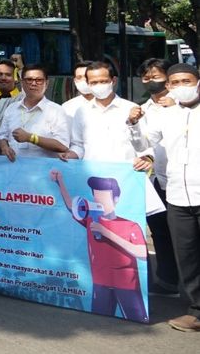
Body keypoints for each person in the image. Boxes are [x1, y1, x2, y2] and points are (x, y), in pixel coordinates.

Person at [144, 64, 200, 332]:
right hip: (177, 194)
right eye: (175, 82)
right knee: (187, 255)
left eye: (186, 80)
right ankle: (196, 310)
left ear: (197, 82)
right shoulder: (166, 115)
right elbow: (150, 144)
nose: (180, 86)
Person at [50, 171, 147, 322]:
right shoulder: (90, 219)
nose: (99, 200)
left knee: (137, 320)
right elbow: (71, 206)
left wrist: (106, 232)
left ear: (116, 199)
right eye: (96, 196)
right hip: (100, 283)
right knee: (99, 320)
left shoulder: (130, 225)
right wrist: (60, 181)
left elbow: (142, 253)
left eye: (104, 196)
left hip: (127, 285)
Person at [127, 58, 180, 296]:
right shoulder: (143, 108)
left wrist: (175, 109)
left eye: (156, 76)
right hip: (158, 180)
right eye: (146, 77)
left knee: (189, 236)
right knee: (159, 230)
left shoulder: (185, 105)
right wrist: (133, 123)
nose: (151, 81)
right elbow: (142, 145)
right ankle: (168, 280)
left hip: (186, 180)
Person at [0, 64, 71, 160]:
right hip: (13, 169)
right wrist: (4, 148)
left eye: (39, 80)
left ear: (47, 83)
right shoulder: (12, 108)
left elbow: (62, 145)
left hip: (44, 170)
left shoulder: (56, 110)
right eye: (29, 80)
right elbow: (2, 137)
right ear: (22, 83)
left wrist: (31, 138)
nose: (34, 83)